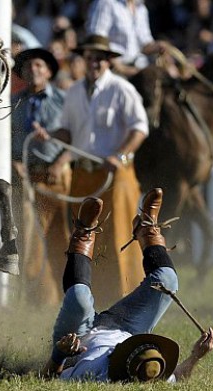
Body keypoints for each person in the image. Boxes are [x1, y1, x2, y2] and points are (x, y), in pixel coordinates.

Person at [43, 189, 213, 382]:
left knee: (79, 298)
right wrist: (196, 356)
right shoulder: (151, 371)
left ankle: (83, 233)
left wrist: (59, 354)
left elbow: (48, 379)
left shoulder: (94, 372)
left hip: (81, 336)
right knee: (167, 280)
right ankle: (147, 230)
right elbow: (177, 376)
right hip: (129, 329)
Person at [34, 34, 149, 308]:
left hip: (115, 174)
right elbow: (69, 132)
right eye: (90, 57)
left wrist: (121, 155)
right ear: (83, 60)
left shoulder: (121, 89)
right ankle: (91, 300)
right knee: (86, 239)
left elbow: (140, 128)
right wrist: (49, 135)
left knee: (119, 235)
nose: (94, 63)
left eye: (100, 58)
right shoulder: (73, 92)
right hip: (83, 174)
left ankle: (127, 298)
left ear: (108, 61)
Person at [11, 48, 70, 306]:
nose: (33, 70)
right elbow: (5, 137)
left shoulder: (63, 100)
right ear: (22, 73)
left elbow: (78, 135)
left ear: (48, 71)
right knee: (31, 238)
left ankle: (68, 293)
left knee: (62, 236)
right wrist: (14, 162)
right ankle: (40, 299)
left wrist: (61, 162)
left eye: (39, 65)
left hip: (58, 176)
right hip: (27, 178)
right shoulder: (14, 103)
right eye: (28, 66)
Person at [85, 0, 168, 77]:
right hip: (113, 69)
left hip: (139, 67)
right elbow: (97, 40)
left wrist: (158, 46)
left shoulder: (141, 8)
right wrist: (121, 68)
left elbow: (144, 44)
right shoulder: (106, 3)